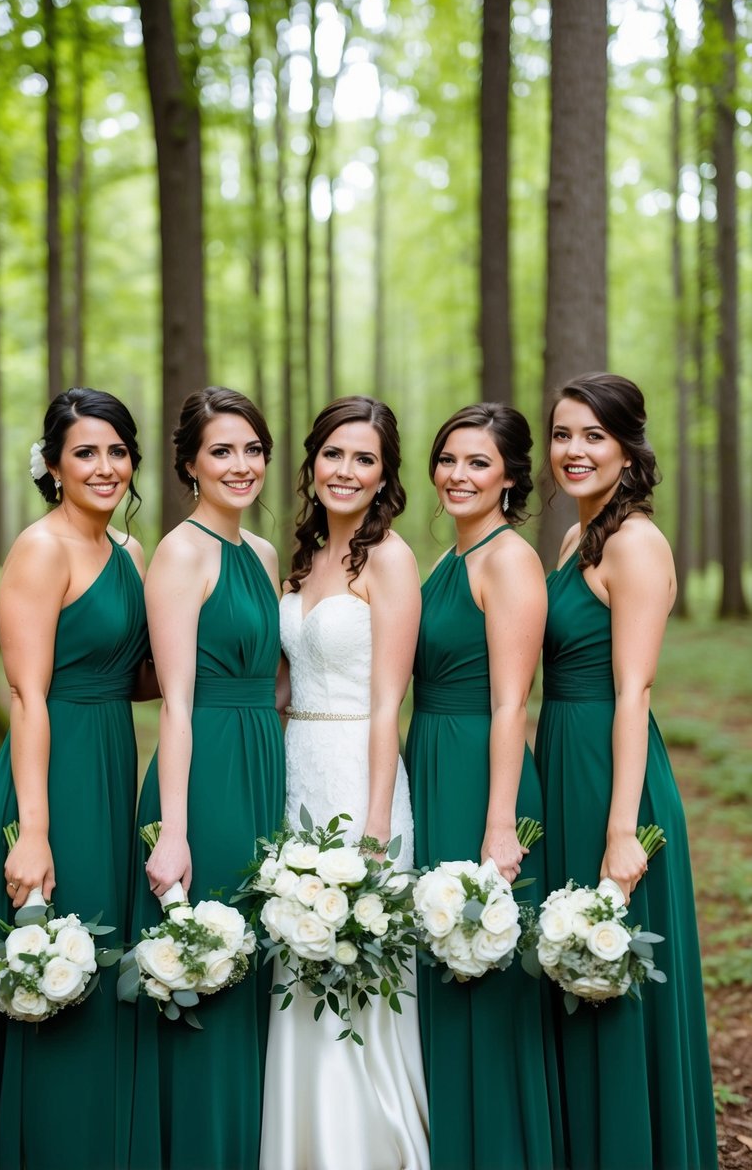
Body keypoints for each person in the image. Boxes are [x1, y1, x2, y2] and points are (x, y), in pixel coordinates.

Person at [0, 388, 150, 1170]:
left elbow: (128, 676)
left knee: (100, 970)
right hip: (48, 776)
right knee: (50, 963)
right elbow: (28, 692)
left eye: (116, 450)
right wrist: (32, 832)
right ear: (55, 466)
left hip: (108, 770)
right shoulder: (42, 549)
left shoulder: (130, 554)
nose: (104, 467)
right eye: (85, 453)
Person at [536, 371, 718, 1170]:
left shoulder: (637, 543)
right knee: (570, 971)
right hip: (562, 761)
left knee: (613, 974)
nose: (573, 451)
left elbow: (633, 689)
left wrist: (619, 829)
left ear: (626, 448)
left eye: (592, 436)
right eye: (562, 434)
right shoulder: (578, 539)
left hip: (614, 775)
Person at [260, 395, 429, 1170]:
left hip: (361, 775)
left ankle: (367, 1146)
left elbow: (390, 700)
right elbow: (285, 686)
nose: (346, 470)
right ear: (312, 460)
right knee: (296, 957)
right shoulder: (299, 558)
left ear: (385, 474)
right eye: (334, 453)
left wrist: (369, 828)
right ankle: (299, 1141)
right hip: (297, 766)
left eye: (365, 458)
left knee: (356, 961)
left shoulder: (389, 557)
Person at [128, 387, 285, 1170]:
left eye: (252, 448)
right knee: (211, 957)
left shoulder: (259, 554)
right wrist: (176, 829)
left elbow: (278, 680)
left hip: (266, 763)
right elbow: (177, 703)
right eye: (221, 450)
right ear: (189, 463)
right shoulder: (181, 552)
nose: (241, 464)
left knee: (261, 954)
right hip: (209, 769)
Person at [405, 403, 563, 1170]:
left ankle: (497, 1149)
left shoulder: (507, 560)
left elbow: (512, 702)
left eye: (476, 462)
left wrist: (500, 823)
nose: (457, 475)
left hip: (480, 770)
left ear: (508, 476)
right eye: (447, 460)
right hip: (428, 758)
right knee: (437, 957)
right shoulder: (445, 561)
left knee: (480, 959)